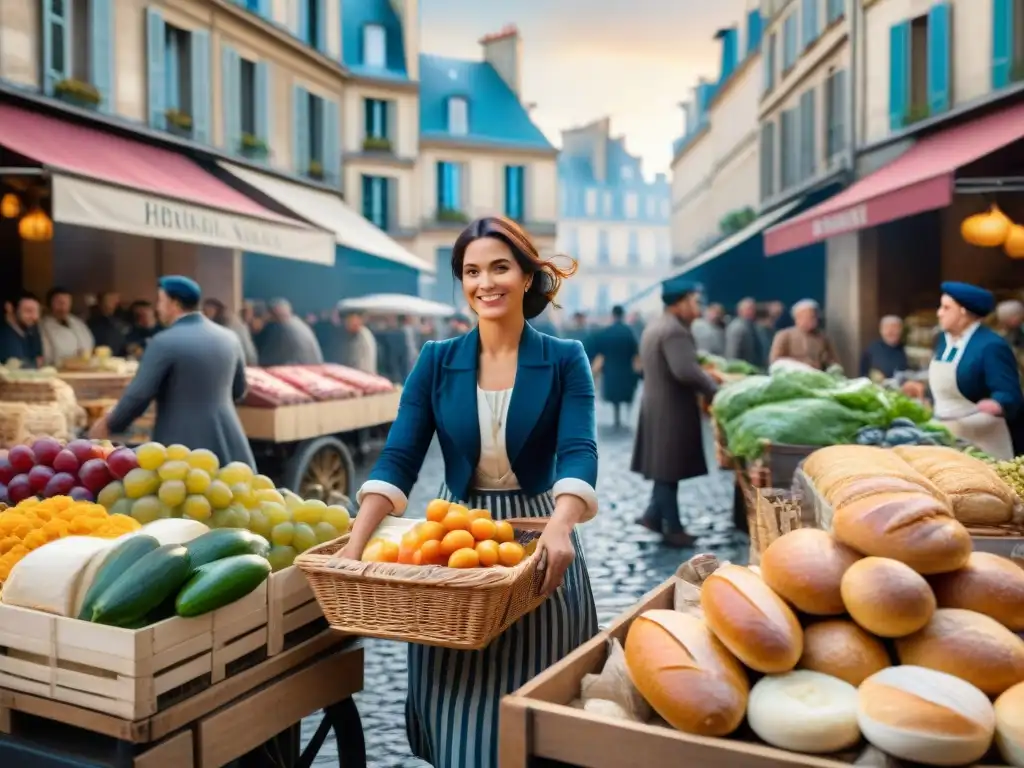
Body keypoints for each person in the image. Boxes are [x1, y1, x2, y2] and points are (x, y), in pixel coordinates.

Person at [340, 215, 598, 768]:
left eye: (500, 267)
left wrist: (561, 526)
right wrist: (356, 543)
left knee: (536, 701)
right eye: (472, 271)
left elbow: (579, 450)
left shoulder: (564, 358)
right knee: (459, 705)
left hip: (536, 538)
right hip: (452, 541)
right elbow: (400, 456)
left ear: (527, 276)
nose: (486, 283)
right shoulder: (436, 360)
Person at [89, 276, 256, 467]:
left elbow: (139, 395)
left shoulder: (164, 342)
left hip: (181, 444)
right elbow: (239, 390)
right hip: (229, 442)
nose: (158, 308)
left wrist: (110, 424)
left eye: (160, 301)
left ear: (173, 304)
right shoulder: (229, 338)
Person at [631, 278, 718, 547]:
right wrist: (714, 389)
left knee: (664, 468)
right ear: (680, 303)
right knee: (669, 470)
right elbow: (685, 371)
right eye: (695, 301)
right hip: (671, 409)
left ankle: (653, 517)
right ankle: (673, 528)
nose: (698, 306)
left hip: (658, 405)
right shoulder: (675, 330)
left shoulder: (658, 325)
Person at [903, 282, 1023, 460]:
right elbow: (949, 381)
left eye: (946, 308)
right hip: (946, 434)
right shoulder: (943, 340)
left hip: (981, 443)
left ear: (963, 312)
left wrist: (998, 403)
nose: (939, 313)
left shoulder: (991, 346)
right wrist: (923, 389)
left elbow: (1010, 394)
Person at [589, 305, 640, 429]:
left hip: (611, 370)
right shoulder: (628, 331)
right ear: (622, 315)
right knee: (625, 395)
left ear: (613, 315)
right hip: (626, 370)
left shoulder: (607, 332)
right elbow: (635, 351)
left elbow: (597, 349)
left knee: (614, 398)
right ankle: (626, 418)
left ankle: (616, 418)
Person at [769, 299, 840, 370]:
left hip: (818, 376)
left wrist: (830, 366)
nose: (814, 320)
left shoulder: (822, 337)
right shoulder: (784, 335)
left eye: (815, 317)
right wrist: (801, 364)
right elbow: (775, 360)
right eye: (810, 317)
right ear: (797, 318)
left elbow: (834, 361)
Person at [255, 298, 323, 366]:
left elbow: (267, 359)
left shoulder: (282, 328)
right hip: (311, 368)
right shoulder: (298, 322)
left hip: (300, 370)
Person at [40, 287, 94, 366]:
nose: (63, 307)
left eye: (66, 302)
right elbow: (46, 355)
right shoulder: (43, 327)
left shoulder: (78, 323)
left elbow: (90, 343)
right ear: (50, 304)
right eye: (59, 303)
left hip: (84, 368)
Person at [203, 298, 258, 365]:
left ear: (215, 309)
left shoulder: (226, 322)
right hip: (245, 359)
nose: (205, 314)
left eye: (206, 311)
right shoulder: (232, 319)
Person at [0, 293, 43, 368]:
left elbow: (40, 361)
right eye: (28, 311)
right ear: (9, 308)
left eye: (37, 312)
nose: (35, 317)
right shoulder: (4, 335)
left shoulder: (31, 333)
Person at [860, 315, 909, 380]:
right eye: (886, 327)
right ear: (881, 330)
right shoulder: (871, 349)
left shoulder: (907, 350)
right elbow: (862, 375)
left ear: (901, 329)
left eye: (894, 327)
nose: (890, 331)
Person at [724, 297, 765, 368]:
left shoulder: (752, 326)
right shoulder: (737, 327)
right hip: (742, 369)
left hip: (753, 367)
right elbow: (732, 351)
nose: (752, 311)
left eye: (753, 309)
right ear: (740, 311)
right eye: (749, 309)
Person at [87, 292, 128, 356]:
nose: (111, 303)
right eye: (108, 300)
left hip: (120, 358)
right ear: (100, 303)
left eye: (114, 300)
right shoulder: (92, 321)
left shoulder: (122, 320)